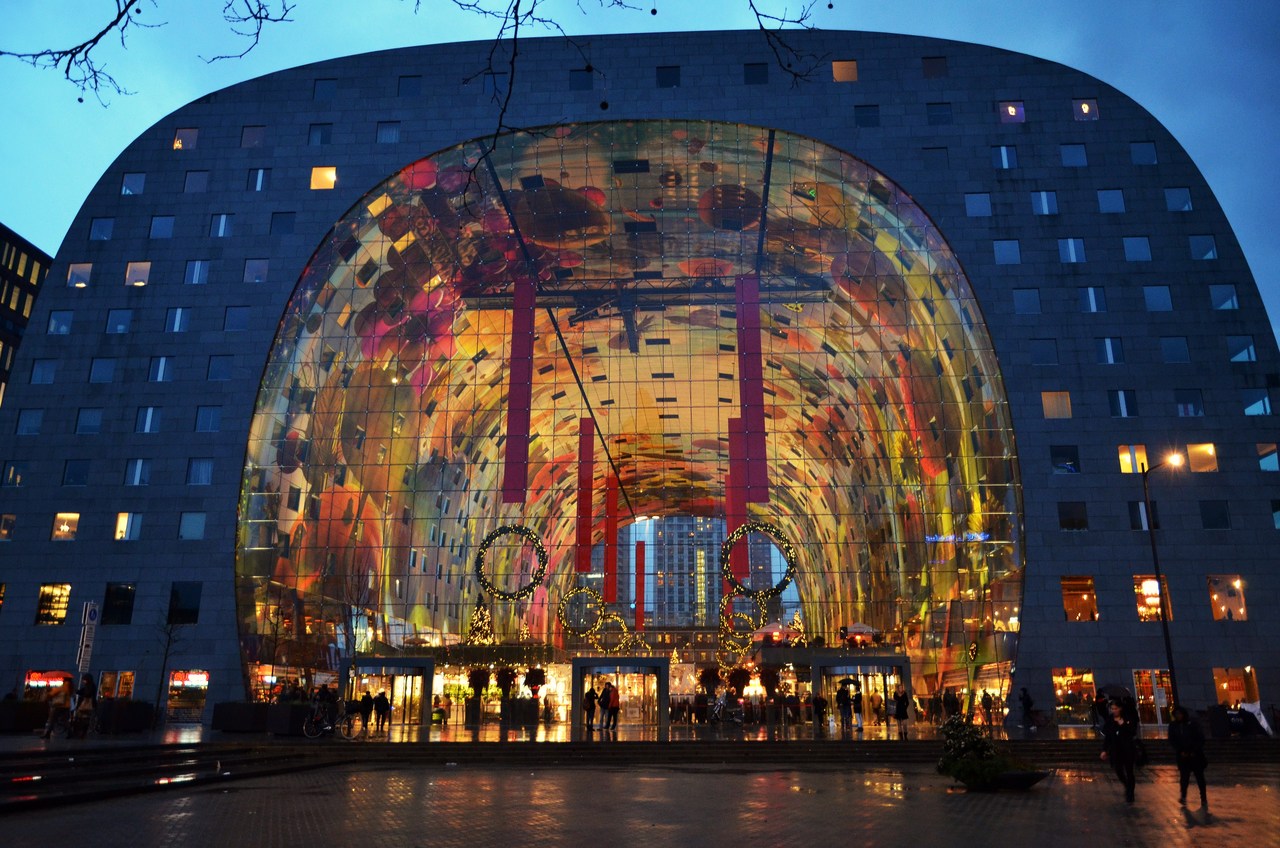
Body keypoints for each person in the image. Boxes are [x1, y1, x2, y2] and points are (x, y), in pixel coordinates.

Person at [1168, 705, 1208, 808]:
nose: (1178, 716)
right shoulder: (1173, 726)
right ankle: (1183, 796)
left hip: (1195, 756)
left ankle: (1203, 798)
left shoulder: (1192, 724)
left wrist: (1193, 750)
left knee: (1199, 777)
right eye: (1176, 714)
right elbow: (1172, 740)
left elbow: (1200, 738)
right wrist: (1180, 750)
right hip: (1183, 756)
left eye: (1180, 714)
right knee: (1184, 778)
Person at [1101, 699, 1139, 802]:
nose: (1114, 711)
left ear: (1120, 708)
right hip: (1116, 750)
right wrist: (1104, 750)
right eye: (1112, 709)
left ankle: (1130, 793)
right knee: (1118, 770)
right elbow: (1108, 737)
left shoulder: (1127, 718)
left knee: (1129, 771)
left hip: (1127, 749)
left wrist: (1123, 724)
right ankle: (1127, 785)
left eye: (1116, 708)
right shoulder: (1110, 720)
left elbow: (1132, 732)